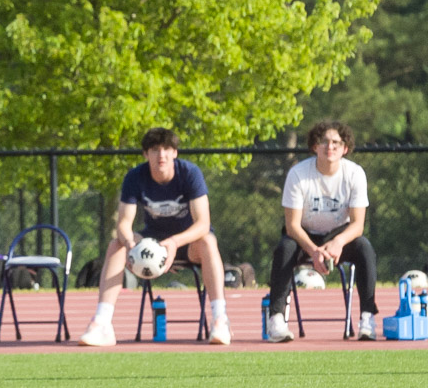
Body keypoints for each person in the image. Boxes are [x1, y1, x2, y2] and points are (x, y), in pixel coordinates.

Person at [79, 127, 232, 346]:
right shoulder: (135, 177)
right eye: (154, 150)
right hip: (151, 241)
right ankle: (102, 324)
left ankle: (220, 319)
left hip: (186, 241)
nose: (161, 155)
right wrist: (132, 245)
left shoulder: (190, 173)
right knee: (116, 244)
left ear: (175, 153)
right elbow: (123, 224)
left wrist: (173, 243)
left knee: (208, 240)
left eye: (167, 149)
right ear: (145, 154)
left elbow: (203, 223)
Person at [267, 120, 377, 342]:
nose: (330, 147)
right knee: (284, 249)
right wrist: (314, 250)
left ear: (345, 148)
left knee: (365, 248)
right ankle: (276, 319)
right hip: (304, 236)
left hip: (339, 235)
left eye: (336, 142)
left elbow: (357, 224)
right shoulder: (298, 174)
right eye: (324, 141)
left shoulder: (355, 174)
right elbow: (292, 226)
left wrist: (337, 243)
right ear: (314, 146)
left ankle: (367, 319)